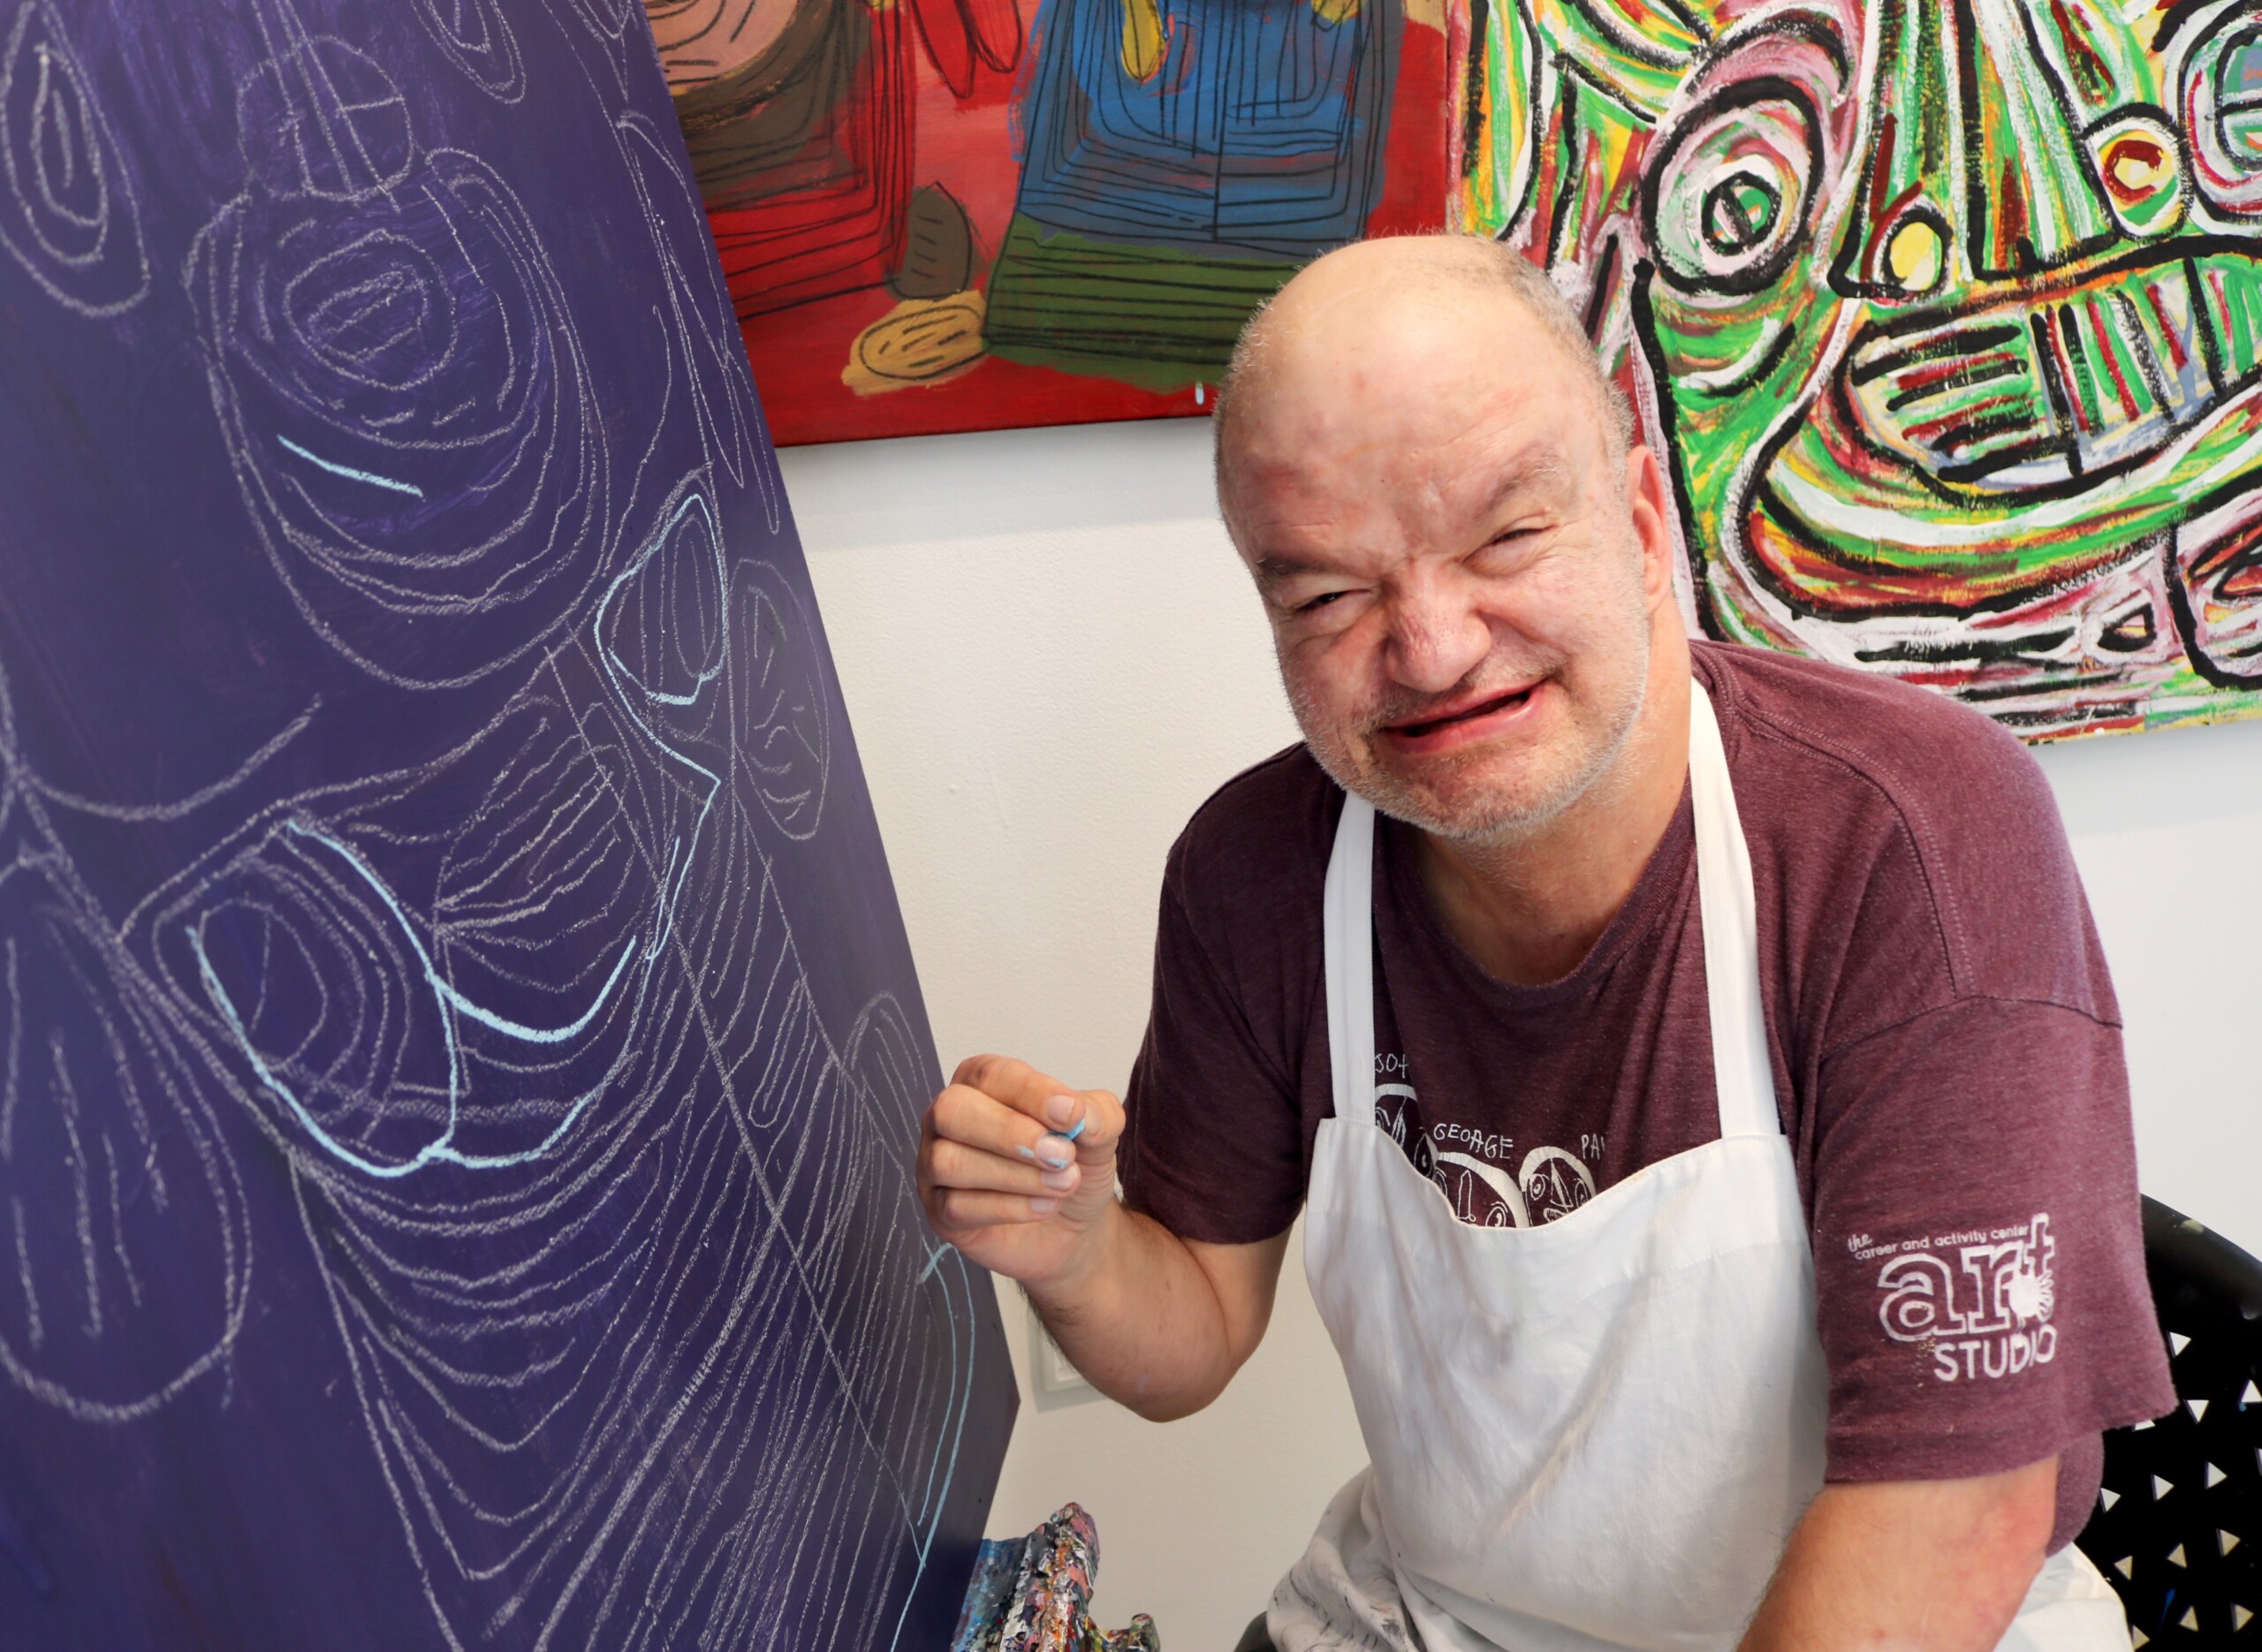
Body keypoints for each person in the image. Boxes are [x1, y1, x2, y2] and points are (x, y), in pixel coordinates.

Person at [915, 234, 2175, 1652]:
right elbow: (1194, 1324)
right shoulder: (1253, 877)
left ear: (1641, 521)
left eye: (1507, 538)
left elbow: (1959, 1509)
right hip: (1436, 1615)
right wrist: (1078, 1252)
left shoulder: (1908, 839)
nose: (1435, 646)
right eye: (1330, 596)